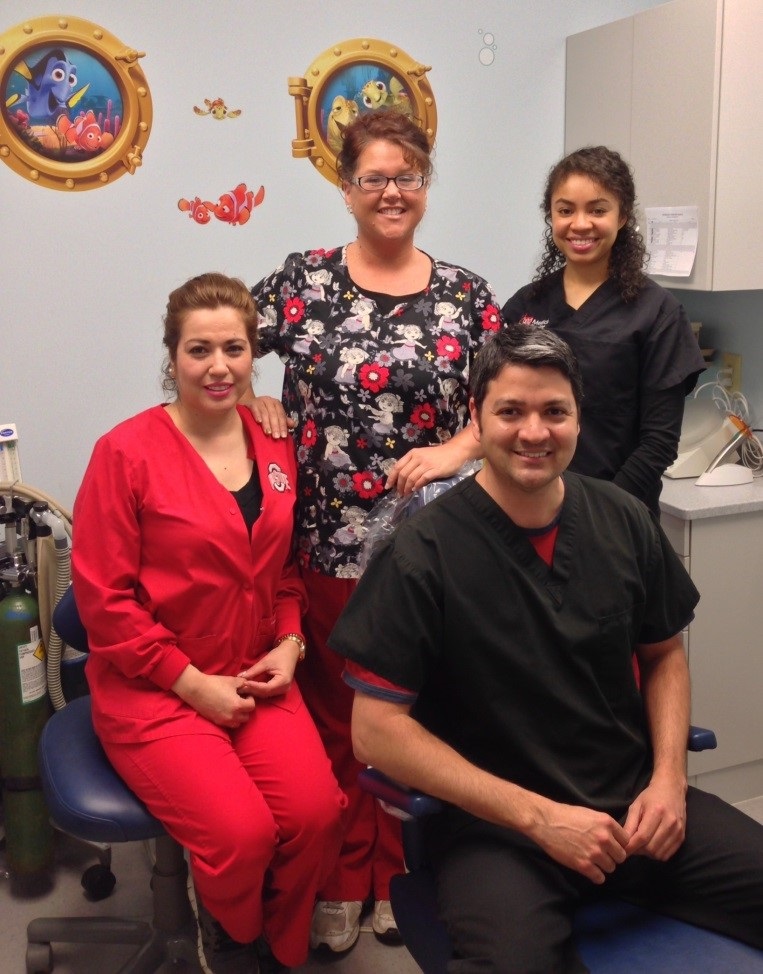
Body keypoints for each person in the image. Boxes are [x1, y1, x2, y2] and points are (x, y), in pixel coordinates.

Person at [330, 325, 763, 973]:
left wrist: (669, 780)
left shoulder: (622, 521)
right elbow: (376, 732)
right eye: (510, 411)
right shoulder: (423, 553)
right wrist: (538, 819)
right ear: (477, 417)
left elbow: (664, 655)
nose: (533, 432)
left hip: (637, 805)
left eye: (553, 411)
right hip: (500, 834)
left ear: (577, 418)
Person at [249, 109, 502, 953]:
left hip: (428, 547)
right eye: (373, 178)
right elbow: (216, 341)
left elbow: (500, 408)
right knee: (331, 715)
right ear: (344, 187)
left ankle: (395, 872)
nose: (391, 192)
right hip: (323, 538)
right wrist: (252, 398)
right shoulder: (304, 280)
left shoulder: (465, 295)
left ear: (424, 185)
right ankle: (337, 878)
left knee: (407, 715)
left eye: (407, 176)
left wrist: (455, 447)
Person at [72, 273, 346, 974]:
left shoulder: (274, 442)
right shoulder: (125, 452)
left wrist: (289, 643)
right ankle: (233, 937)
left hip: (255, 671)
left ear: (254, 353)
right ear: (172, 357)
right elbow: (104, 600)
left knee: (316, 814)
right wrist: (191, 684)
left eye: (233, 348)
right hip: (154, 686)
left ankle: (279, 946)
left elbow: (282, 570)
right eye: (199, 350)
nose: (218, 366)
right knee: (243, 833)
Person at [502, 145, 705, 515]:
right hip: (530, 509)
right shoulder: (525, 306)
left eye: (597, 209)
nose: (580, 224)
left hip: (618, 514)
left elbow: (658, 442)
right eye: (565, 210)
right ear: (551, 215)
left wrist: (599, 512)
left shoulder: (657, 313)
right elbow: (502, 413)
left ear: (623, 215)